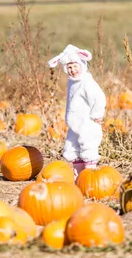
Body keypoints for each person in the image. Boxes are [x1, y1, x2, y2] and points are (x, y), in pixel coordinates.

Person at [48, 44, 107, 178]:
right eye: (69, 67)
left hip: (87, 122)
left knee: (88, 148)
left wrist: (97, 115)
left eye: (75, 66)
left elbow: (98, 97)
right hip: (75, 124)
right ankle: (78, 178)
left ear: (82, 65)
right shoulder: (72, 82)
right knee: (73, 149)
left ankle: (89, 177)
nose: (73, 70)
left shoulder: (86, 81)